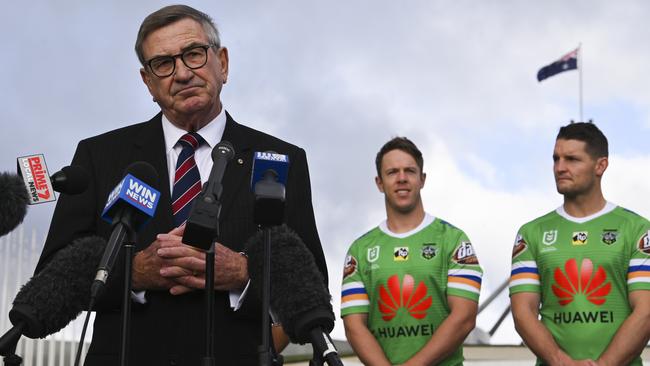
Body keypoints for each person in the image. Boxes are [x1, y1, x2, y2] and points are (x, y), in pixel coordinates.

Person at [34, 5, 327, 365]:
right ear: (147, 81)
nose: (183, 73)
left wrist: (241, 271)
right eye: (163, 63)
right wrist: (135, 272)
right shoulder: (99, 156)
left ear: (223, 62)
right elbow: (52, 277)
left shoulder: (281, 159)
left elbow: (311, 284)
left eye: (193, 54)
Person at [509, 122, 650, 365]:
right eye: (556, 159)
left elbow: (646, 311)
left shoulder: (637, 228)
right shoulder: (531, 232)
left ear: (601, 165)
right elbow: (523, 312)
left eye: (572, 159)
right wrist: (561, 361)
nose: (560, 168)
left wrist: (605, 364)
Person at [341, 137, 482, 365]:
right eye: (392, 172)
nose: (402, 178)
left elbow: (464, 318)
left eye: (410, 171)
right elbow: (354, 325)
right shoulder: (360, 250)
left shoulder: (453, 240)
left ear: (422, 179)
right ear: (379, 182)